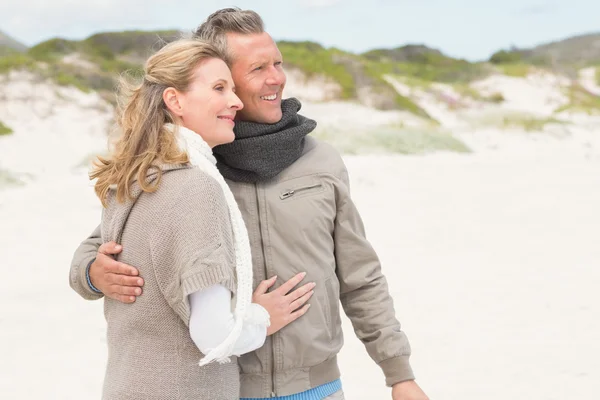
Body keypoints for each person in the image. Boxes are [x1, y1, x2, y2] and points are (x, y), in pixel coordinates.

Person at [70, 8, 429, 400]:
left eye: (278, 63)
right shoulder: (188, 170)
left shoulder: (320, 160)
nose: (276, 78)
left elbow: (361, 277)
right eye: (258, 68)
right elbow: (101, 245)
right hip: (225, 386)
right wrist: (93, 273)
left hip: (318, 388)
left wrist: (399, 373)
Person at [86, 38, 313, 400]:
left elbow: (99, 254)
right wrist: (262, 316)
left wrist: (88, 272)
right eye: (219, 88)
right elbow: (214, 335)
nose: (236, 102)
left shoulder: (132, 178)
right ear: (175, 101)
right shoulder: (196, 187)